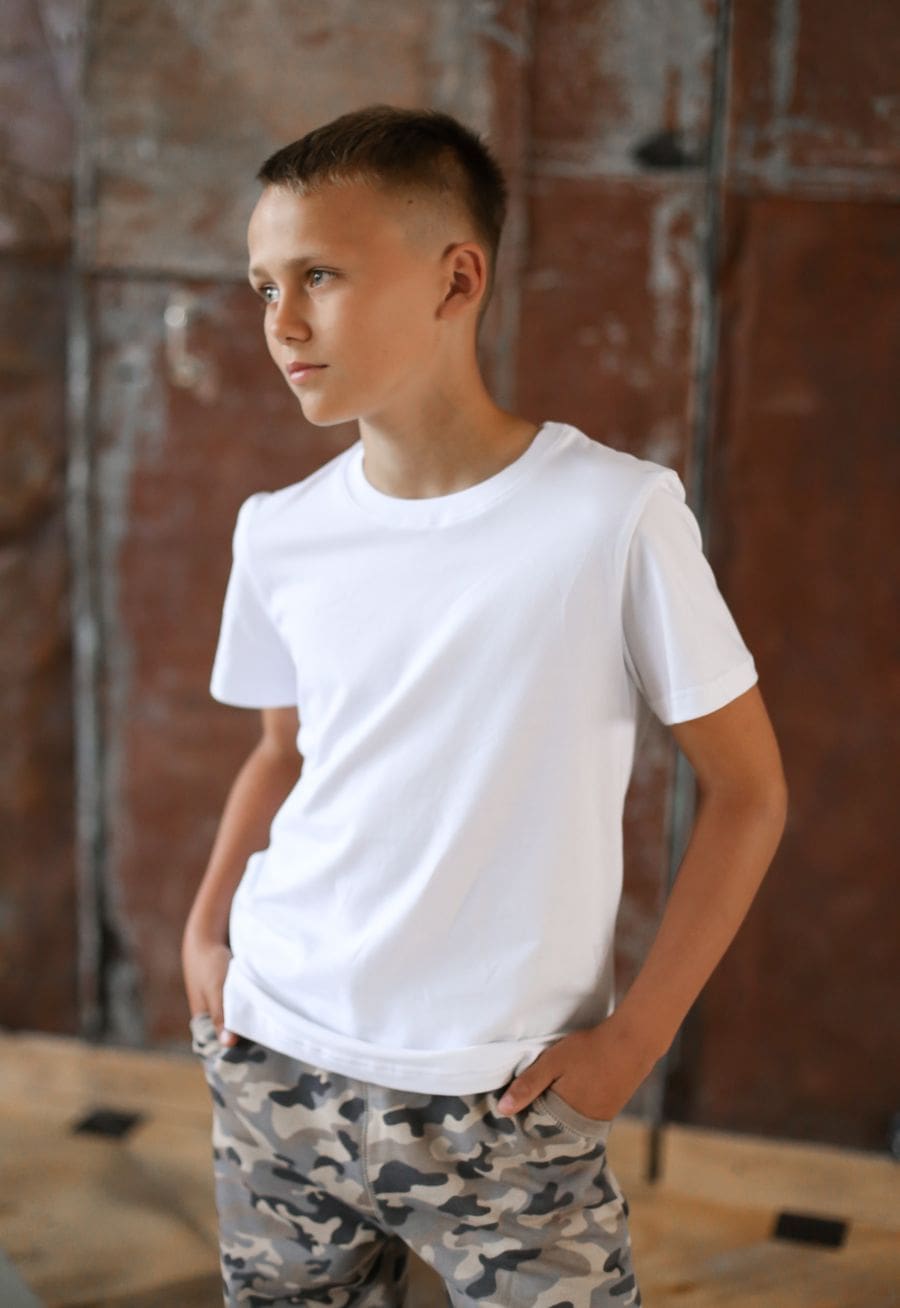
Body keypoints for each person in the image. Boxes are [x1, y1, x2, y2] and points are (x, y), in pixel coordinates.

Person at [181, 103, 788, 1308]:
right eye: (264, 287)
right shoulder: (280, 531)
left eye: (319, 276)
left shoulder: (612, 515)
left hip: (502, 1099)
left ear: (458, 279)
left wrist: (634, 1041)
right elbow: (281, 753)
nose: (282, 322)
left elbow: (749, 791)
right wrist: (205, 936)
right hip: (274, 1055)